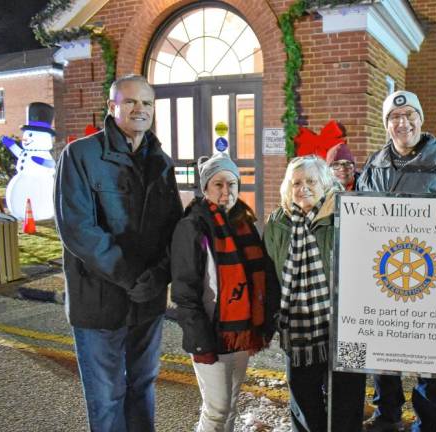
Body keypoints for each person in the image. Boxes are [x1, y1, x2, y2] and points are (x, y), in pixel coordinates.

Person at [54, 74, 183, 431]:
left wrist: (158, 277)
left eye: (146, 103)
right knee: (106, 398)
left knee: (142, 388)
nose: (139, 109)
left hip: (148, 302)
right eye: (130, 102)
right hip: (99, 303)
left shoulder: (162, 162)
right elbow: (78, 230)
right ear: (112, 107)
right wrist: (132, 277)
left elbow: (174, 229)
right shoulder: (80, 155)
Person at [357, 90, 436, 432]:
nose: (402, 122)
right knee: (382, 354)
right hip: (385, 276)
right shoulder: (374, 166)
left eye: (409, 115)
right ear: (386, 124)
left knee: (430, 359)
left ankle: (427, 422)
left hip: (432, 277)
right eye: (394, 117)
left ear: (421, 120)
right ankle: (387, 417)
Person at [170, 152, 279, 432]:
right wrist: (199, 342)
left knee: (230, 405)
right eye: (218, 184)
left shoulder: (244, 224)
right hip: (210, 333)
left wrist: (265, 322)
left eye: (232, 184)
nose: (226, 191)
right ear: (205, 187)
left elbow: (261, 278)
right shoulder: (192, 226)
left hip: (240, 332)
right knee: (217, 409)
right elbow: (184, 292)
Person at [264, 156, 366, 432]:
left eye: (311, 181)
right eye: (296, 182)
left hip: (346, 327)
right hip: (299, 328)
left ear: (326, 184)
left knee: (346, 403)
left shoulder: (349, 216)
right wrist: (272, 317)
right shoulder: (278, 222)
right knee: (304, 399)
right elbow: (269, 276)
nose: (303, 188)